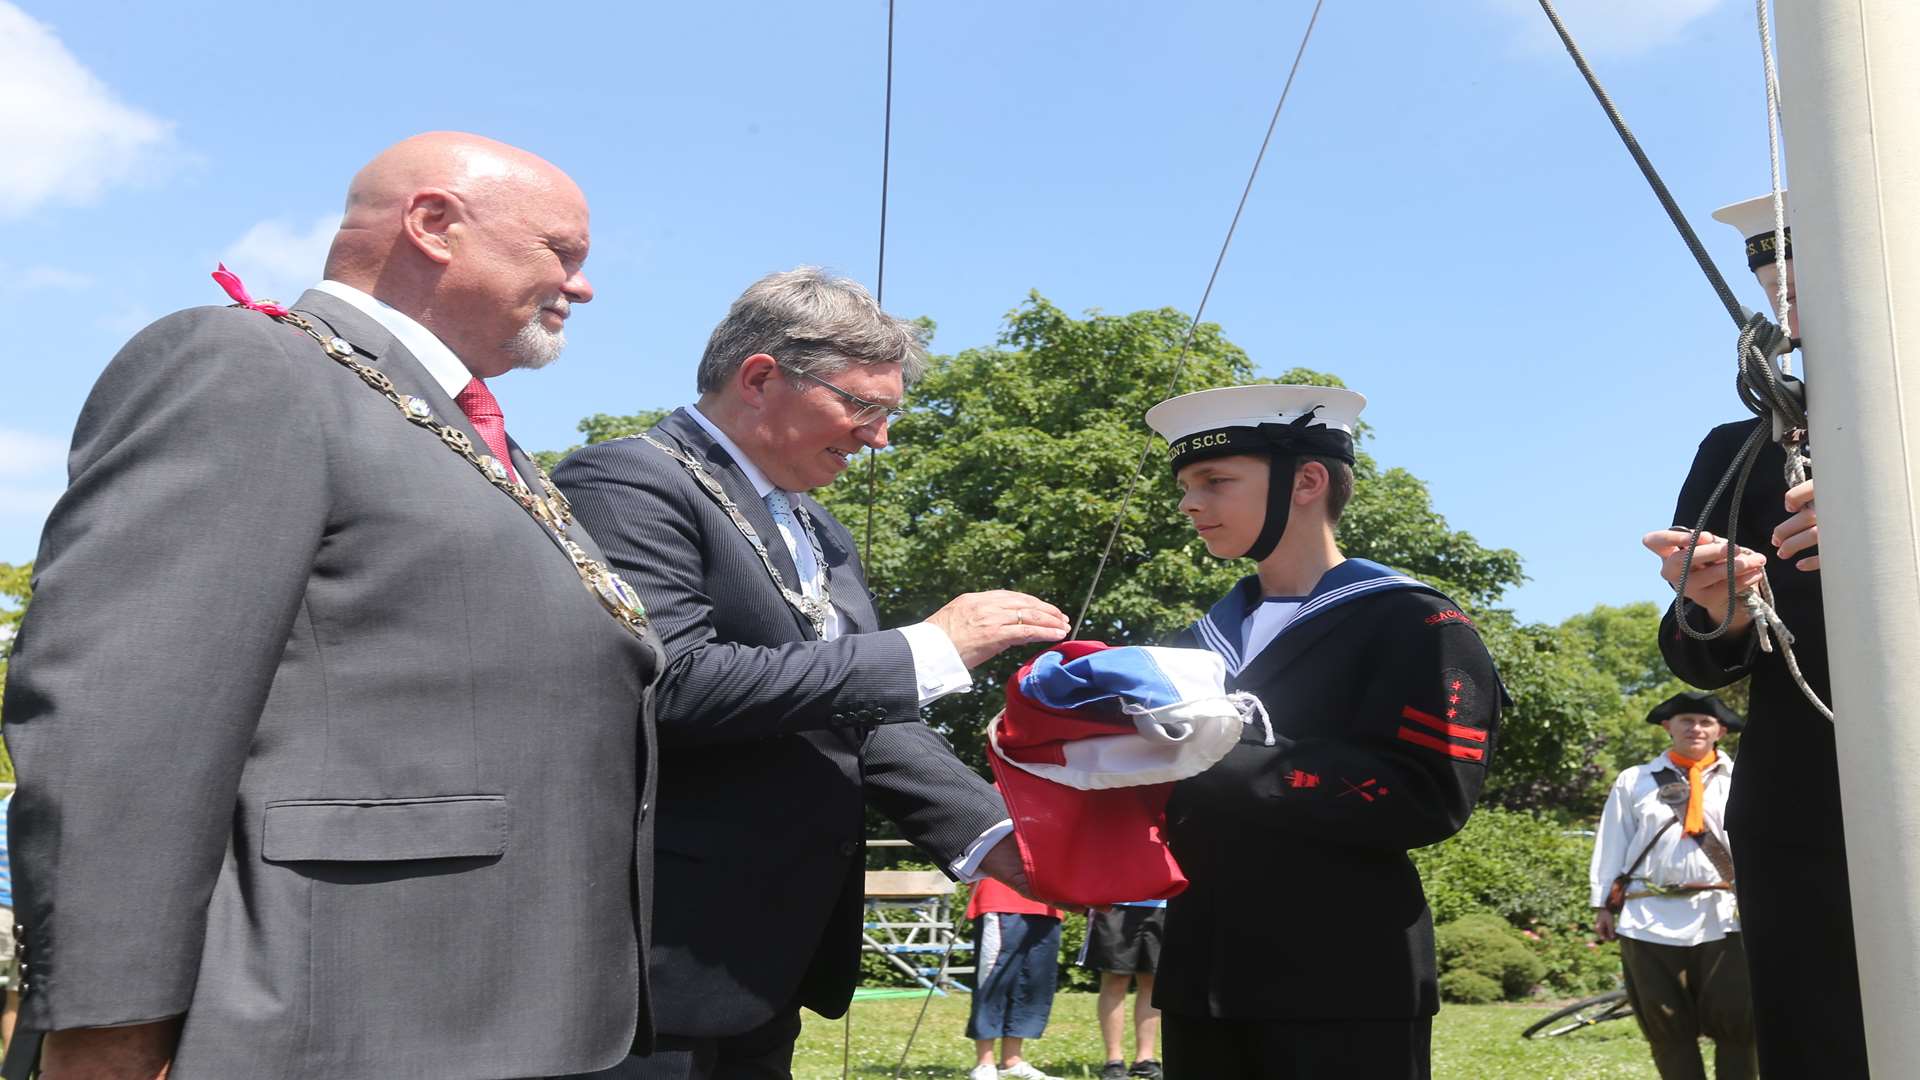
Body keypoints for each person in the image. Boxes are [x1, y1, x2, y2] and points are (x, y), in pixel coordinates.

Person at [0, 132, 665, 1080]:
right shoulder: (250, 366)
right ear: (435, 224)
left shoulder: (466, 434)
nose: (582, 286)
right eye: (563, 253)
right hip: (319, 1014)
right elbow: (124, 714)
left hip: (478, 1004)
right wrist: (111, 1025)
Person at [551, 266, 1071, 1079]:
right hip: (653, 965)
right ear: (760, 378)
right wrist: (925, 650)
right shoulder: (625, 480)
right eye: (862, 406)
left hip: (769, 963)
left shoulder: (821, 529)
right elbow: (671, 682)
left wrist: (998, 838)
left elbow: (862, 717)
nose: (879, 438)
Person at [1141, 384, 1504, 1080]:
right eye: (1185, 485)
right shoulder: (1193, 643)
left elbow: (1430, 796)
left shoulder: (1415, 623)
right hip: (1201, 974)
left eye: (1215, 481)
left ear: (1307, 481)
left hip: (1344, 978)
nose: (1190, 503)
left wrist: (1217, 757)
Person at [1642, 191, 1868, 1077]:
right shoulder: (1739, 448)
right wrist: (1711, 609)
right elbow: (1697, 645)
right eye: (1780, 293)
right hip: (1807, 810)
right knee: (1821, 1039)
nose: (1790, 315)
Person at [1590, 691, 1755, 1080]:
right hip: (1648, 917)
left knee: (1738, 1024)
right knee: (1666, 1028)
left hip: (1725, 918)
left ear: (1721, 731)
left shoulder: (1743, 780)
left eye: (1705, 722)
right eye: (1687, 720)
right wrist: (1602, 904)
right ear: (1668, 727)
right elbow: (1613, 842)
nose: (1695, 728)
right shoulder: (1635, 780)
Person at [965, 874, 1065, 1080]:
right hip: (999, 897)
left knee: (1034, 983)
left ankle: (1012, 1060)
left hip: (1048, 901)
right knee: (993, 980)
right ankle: (985, 1063)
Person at [1083, 900, 1163, 1080]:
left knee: (1152, 979)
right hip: (1114, 900)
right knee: (1115, 978)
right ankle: (1114, 1061)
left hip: (1161, 903)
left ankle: (1145, 1059)